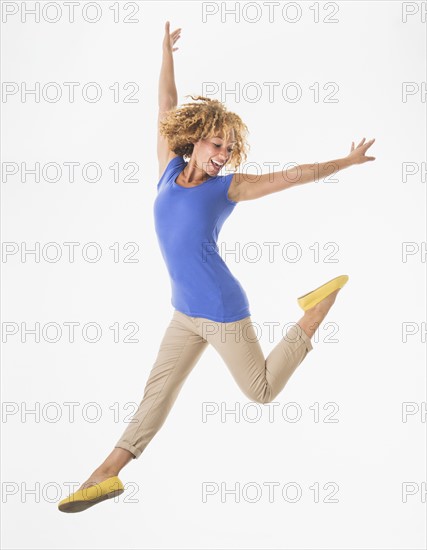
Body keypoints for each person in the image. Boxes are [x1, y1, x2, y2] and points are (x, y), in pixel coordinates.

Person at [58, 21, 376, 513]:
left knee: (262, 391)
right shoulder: (167, 168)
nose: (223, 155)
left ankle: (314, 311)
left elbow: (290, 177)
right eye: (216, 145)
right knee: (154, 397)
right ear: (195, 140)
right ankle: (104, 475)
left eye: (230, 149)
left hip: (222, 308)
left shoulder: (226, 188)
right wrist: (166, 53)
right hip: (184, 311)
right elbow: (166, 102)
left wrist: (346, 161)